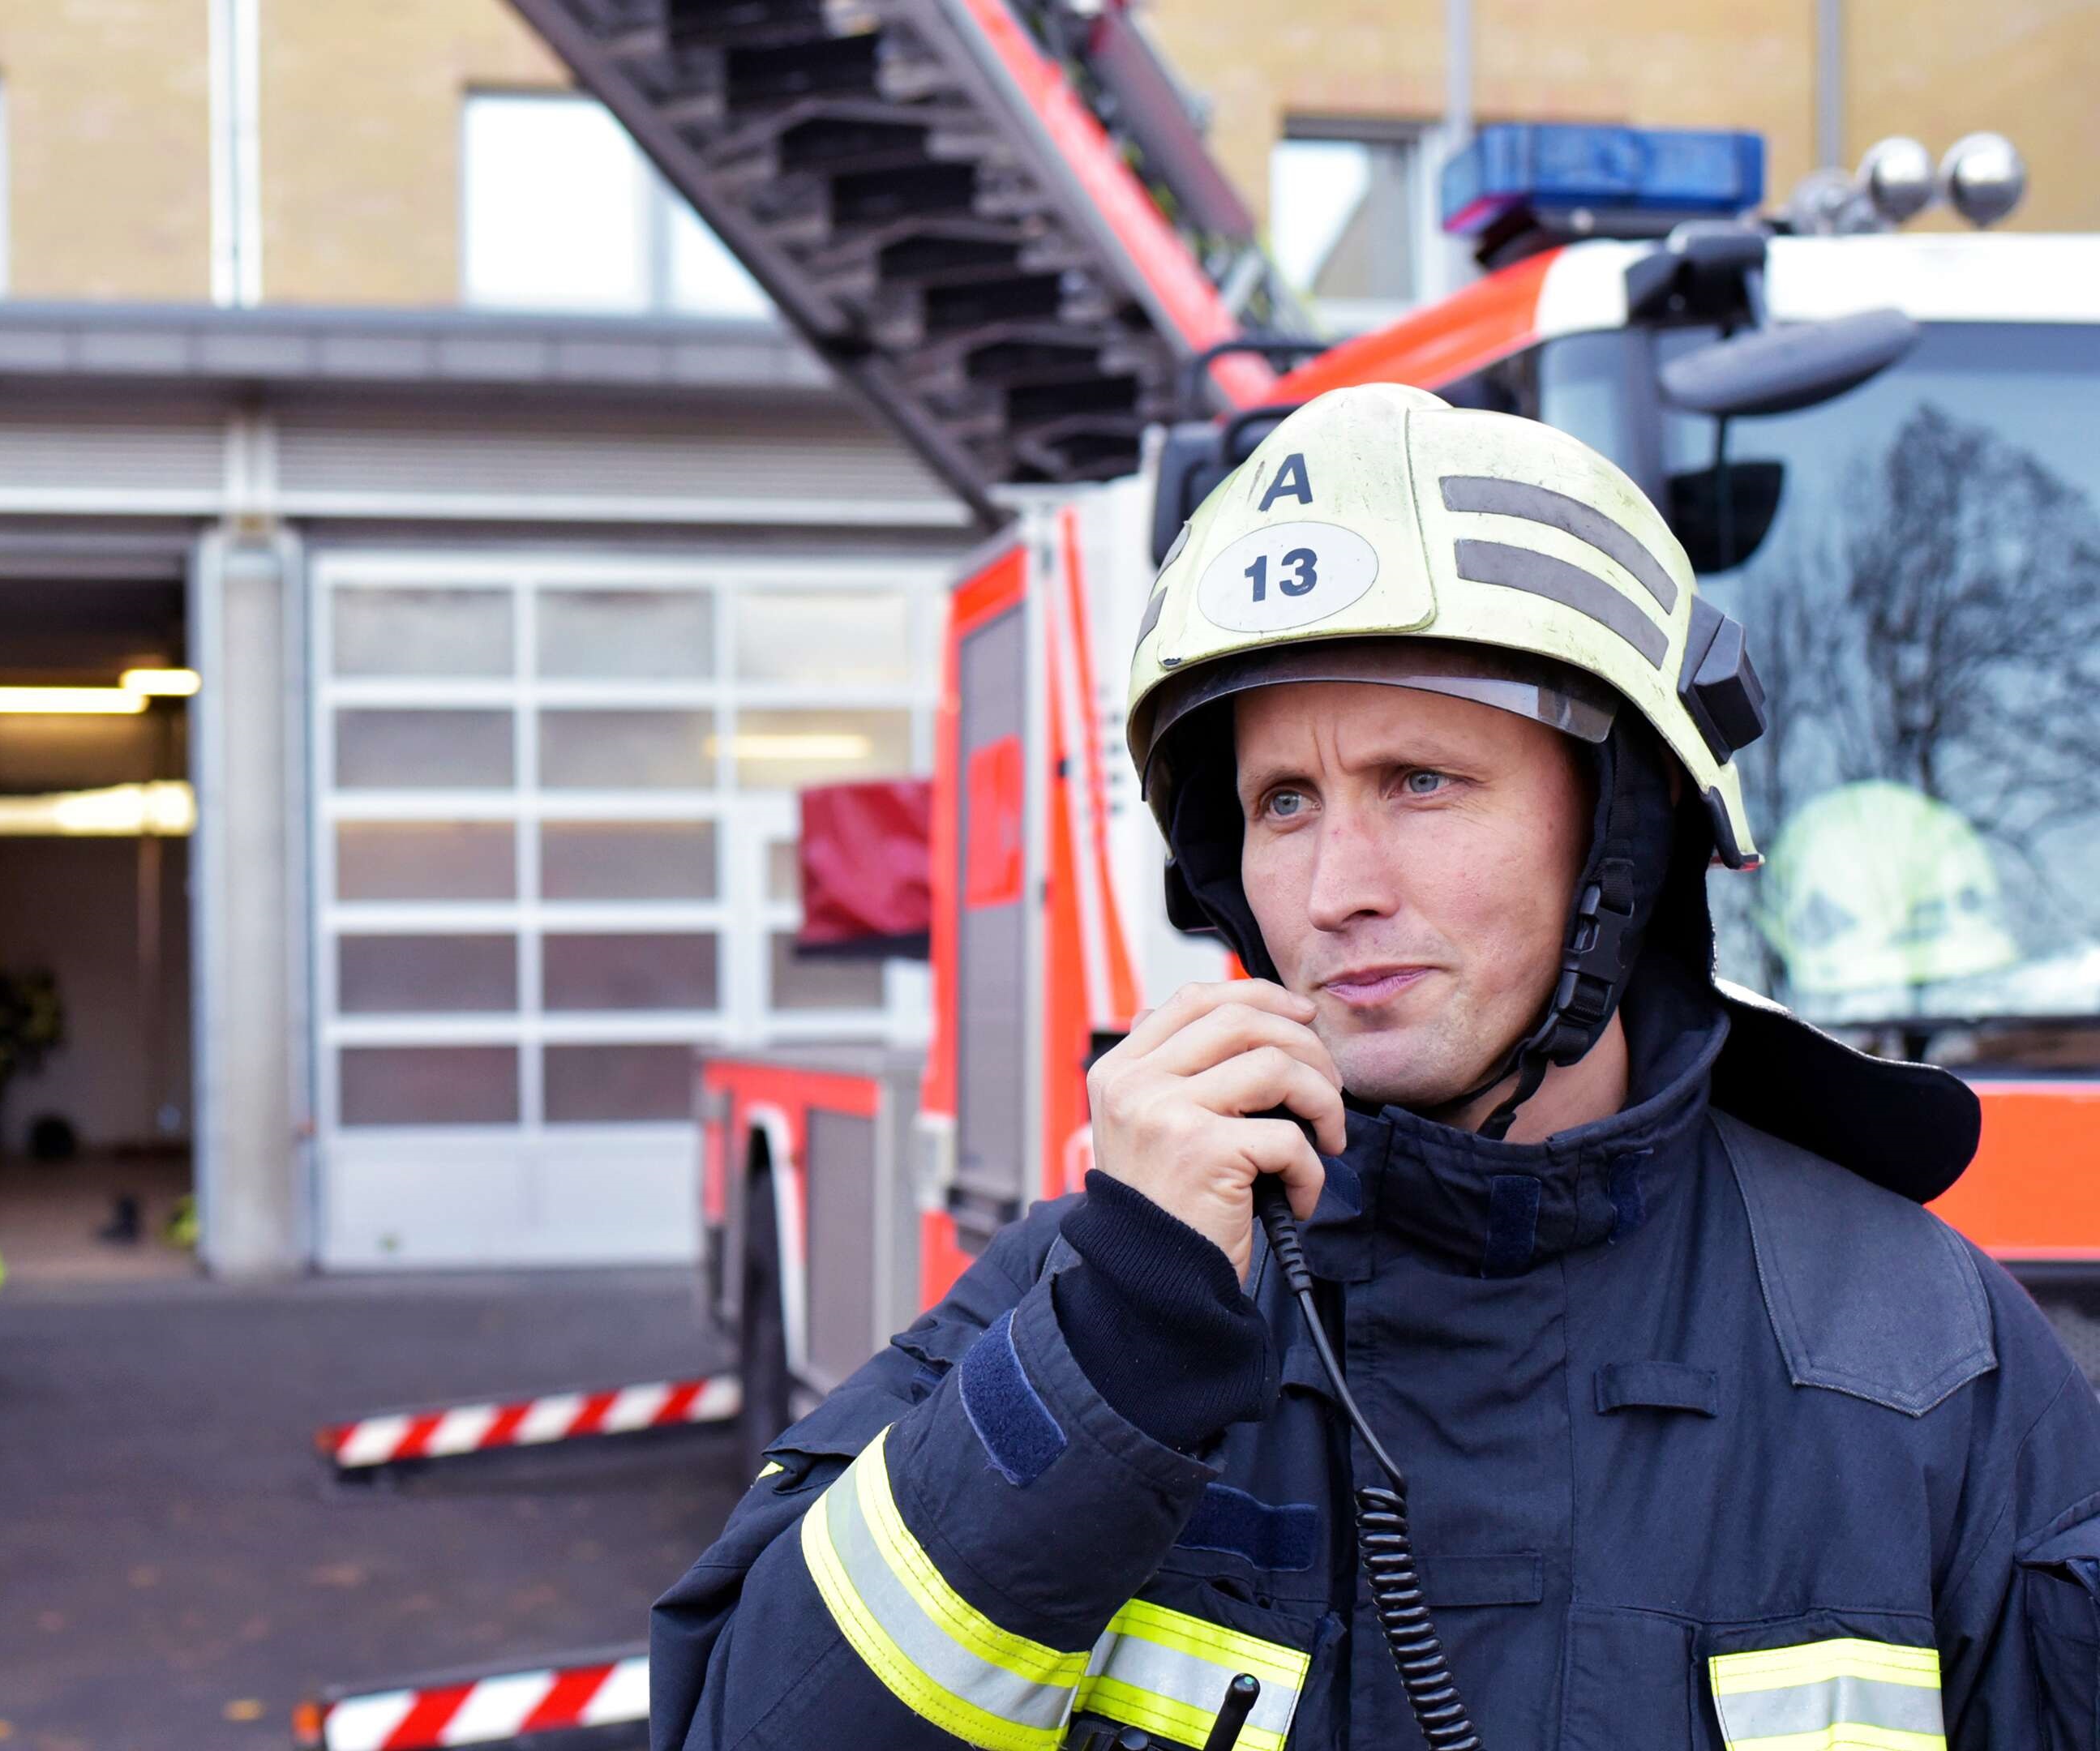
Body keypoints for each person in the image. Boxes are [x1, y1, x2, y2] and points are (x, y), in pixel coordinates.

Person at [651, 384, 2100, 1749]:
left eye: (1420, 782)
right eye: (1286, 801)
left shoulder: (1928, 1361)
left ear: (1625, 832)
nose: (1338, 886)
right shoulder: (1101, 1303)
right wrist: (1115, 1365)